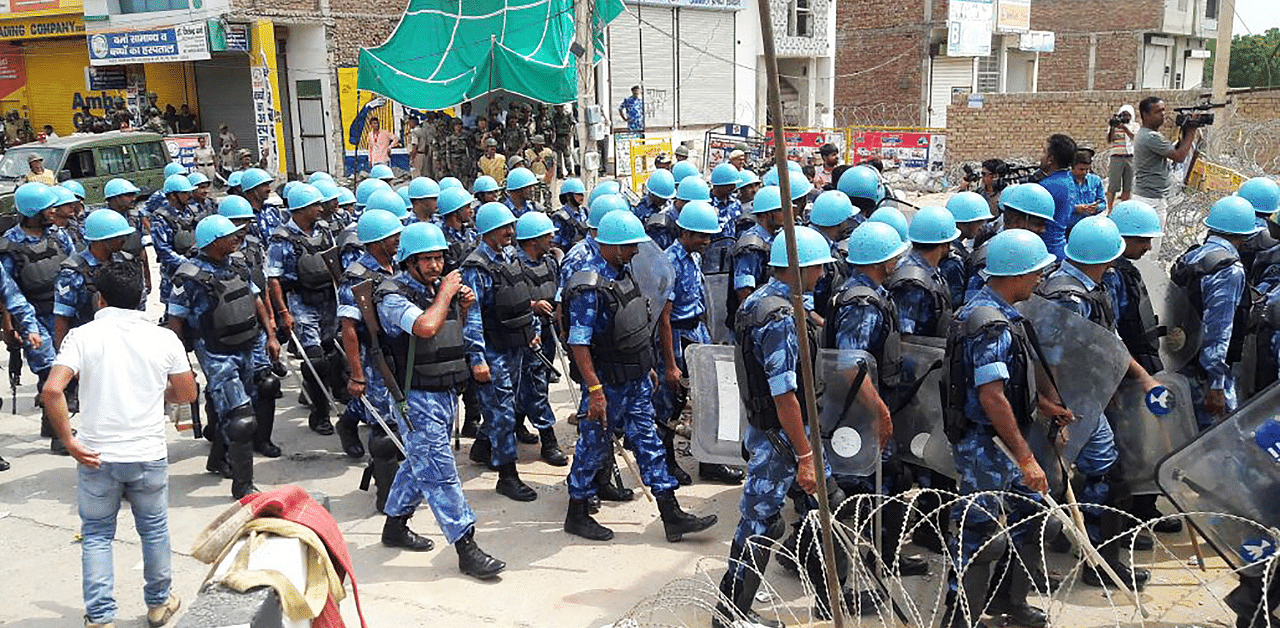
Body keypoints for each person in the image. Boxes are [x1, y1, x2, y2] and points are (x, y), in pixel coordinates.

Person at [42, 259, 196, 628]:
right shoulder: (164, 338)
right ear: (142, 298)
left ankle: (100, 616)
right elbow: (186, 393)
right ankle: (159, 604)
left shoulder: (82, 337)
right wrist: (156, 391)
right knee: (154, 529)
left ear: (101, 299)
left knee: (96, 536)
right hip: (147, 453)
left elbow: (52, 390)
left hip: (96, 455)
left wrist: (70, 441)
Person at [715, 225, 849, 626]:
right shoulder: (779, 317)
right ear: (797, 268)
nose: (823, 274)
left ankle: (831, 598)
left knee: (825, 507)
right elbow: (783, 392)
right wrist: (805, 455)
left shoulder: (762, 301)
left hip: (780, 432)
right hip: (784, 438)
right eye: (817, 267)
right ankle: (731, 613)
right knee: (760, 521)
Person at [560, 210, 717, 542]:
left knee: (649, 444)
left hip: (633, 380)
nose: (635, 252)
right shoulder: (590, 286)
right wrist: (595, 390)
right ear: (615, 247)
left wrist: (645, 364)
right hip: (606, 383)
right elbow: (578, 341)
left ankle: (671, 514)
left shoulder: (623, 273)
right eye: (630, 246)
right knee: (593, 447)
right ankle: (576, 512)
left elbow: (633, 324)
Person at [945, 228, 1065, 628]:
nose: (1039, 280)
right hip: (988, 444)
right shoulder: (992, 324)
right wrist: (1027, 457)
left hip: (1001, 440)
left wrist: (1044, 407)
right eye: (1035, 273)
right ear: (1015, 275)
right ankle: (960, 619)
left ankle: (1008, 599)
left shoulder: (986, 310)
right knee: (979, 537)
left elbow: (1009, 384)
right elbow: (991, 395)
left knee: (1029, 515)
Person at [373, 221, 506, 579]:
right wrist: (446, 294)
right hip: (415, 396)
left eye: (439, 258)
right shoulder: (392, 295)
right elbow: (425, 328)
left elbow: (447, 333)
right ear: (409, 261)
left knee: (421, 461)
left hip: (444, 390)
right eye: (426, 259)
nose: (435, 266)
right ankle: (466, 546)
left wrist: (463, 308)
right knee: (440, 472)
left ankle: (395, 524)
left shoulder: (434, 289)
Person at [1037, 215, 1154, 589]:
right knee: (1106, 474)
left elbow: (1111, 344)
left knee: (1073, 475)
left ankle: (1071, 543)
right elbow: (1050, 358)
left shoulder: (1090, 289)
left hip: (1087, 394)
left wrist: (1141, 378)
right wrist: (1058, 414)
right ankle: (1102, 562)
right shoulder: (1070, 297)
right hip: (1073, 400)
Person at [168, 215, 280, 499]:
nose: (236, 238)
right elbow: (175, 324)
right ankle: (243, 486)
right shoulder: (188, 276)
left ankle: (217, 457)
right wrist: (180, 367)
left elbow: (256, 302)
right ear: (211, 242)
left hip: (246, 346)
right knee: (241, 418)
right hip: (215, 353)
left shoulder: (238, 265)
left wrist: (271, 336)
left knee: (230, 409)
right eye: (229, 235)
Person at [460, 203, 540, 500]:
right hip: (492, 350)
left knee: (506, 405)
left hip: (514, 345)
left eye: (511, 227)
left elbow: (520, 297)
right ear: (489, 231)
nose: (510, 232)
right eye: (504, 228)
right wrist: (477, 358)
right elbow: (473, 316)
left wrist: (530, 333)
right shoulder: (476, 267)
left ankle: (483, 447)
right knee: (503, 413)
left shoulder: (509, 256)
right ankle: (507, 475)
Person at [2, 182, 76, 452]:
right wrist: (10, 326)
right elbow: (7, 292)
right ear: (34, 212)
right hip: (32, 316)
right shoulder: (10, 245)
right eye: (49, 208)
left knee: (70, 368)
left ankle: (51, 422)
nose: (54, 211)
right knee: (50, 371)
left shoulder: (59, 236)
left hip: (63, 313)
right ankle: (60, 436)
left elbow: (74, 267)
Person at [1170, 195, 1255, 430]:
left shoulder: (1194, 255)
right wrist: (1216, 384)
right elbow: (1219, 329)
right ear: (1245, 235)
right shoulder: (1230, 270)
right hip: (1207, 373)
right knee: (1222, 438)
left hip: (1184, 360)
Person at [267, 183, 342, 437]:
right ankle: (319, 415)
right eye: (315, 205)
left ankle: (333, 398)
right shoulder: (281, 238)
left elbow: (333, 263)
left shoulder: (323, 229)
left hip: (329, 302)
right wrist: (283, 312)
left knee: (333, 355)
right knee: (315, 361)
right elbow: (274, 278)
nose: (320, 209)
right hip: (301, 302)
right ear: (301, 209)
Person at [511, 212, 569, 466]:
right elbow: (507, 300)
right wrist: (532, 305)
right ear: (533, 240)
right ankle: (549, 440)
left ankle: (500, 433)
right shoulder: (514, 265)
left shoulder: (549, 261)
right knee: (534, 386)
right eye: (547, 235)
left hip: (547, 331)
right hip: (526, 333)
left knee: (537, 382)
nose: (552, 239)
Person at [1133, 96, 1198, 227]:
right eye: (1157, 112)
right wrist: (1191, 131)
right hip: (1150, 200)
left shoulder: (1148, 134)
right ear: (1145, 115)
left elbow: (1172, 150)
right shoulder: (1150, 137)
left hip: (1151, 197)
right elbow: (1179, 156)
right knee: (1153, 241)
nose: (1162, 115)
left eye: (1163, 110)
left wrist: (1184, 132)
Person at [150, 174, 201, 302]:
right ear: (173, 196)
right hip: (174, 275)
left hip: (196, 272)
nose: (189, 195)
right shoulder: (160, 218)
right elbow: (163, 250)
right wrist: (187, 263)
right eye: (185, 193)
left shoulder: (192, 211)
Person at [1033, 133, 1079, 258]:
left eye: (1043, 152)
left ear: (1050, 159)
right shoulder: (1068, 179)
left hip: (1045, 250)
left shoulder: (1046, 186)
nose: (1040, 156)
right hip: (1060, 247)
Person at [1065, 149, 1107, 234]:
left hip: (1090, 226)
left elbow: (1103, 203)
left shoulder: (1095, 180)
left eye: (1087, 169)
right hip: (1069, 227)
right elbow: (1058, 205)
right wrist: (1075, 209)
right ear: (1072, 167)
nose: (1084, 172)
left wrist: (1096, 208)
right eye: (1081, 169)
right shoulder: (1064, 182)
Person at [1106, 105, 1137, 208]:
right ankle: (1110, 208)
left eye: (1127, 115)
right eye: (1123, 114)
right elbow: (1109, 140)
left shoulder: (1135, 126)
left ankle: (1124, 208)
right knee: (1113, 185)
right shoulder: (1114, 126)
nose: (1125, 117)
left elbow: (1135, 138)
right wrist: (1113, 127)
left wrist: (1125, 128)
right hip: (1116, 157)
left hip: (1130, 157)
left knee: (1128, 185)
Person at [551, 178, 588, 251]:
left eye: (582, 194)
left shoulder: (586, 212)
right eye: (578, 194)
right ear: (568, 196)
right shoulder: (559, 217)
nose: (582, 197)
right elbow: (555, 244)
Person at [710, 163, 745, 240]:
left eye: (734, 184)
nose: (732, 187)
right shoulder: (707, 205)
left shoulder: (736, 204)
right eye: (729, 184)